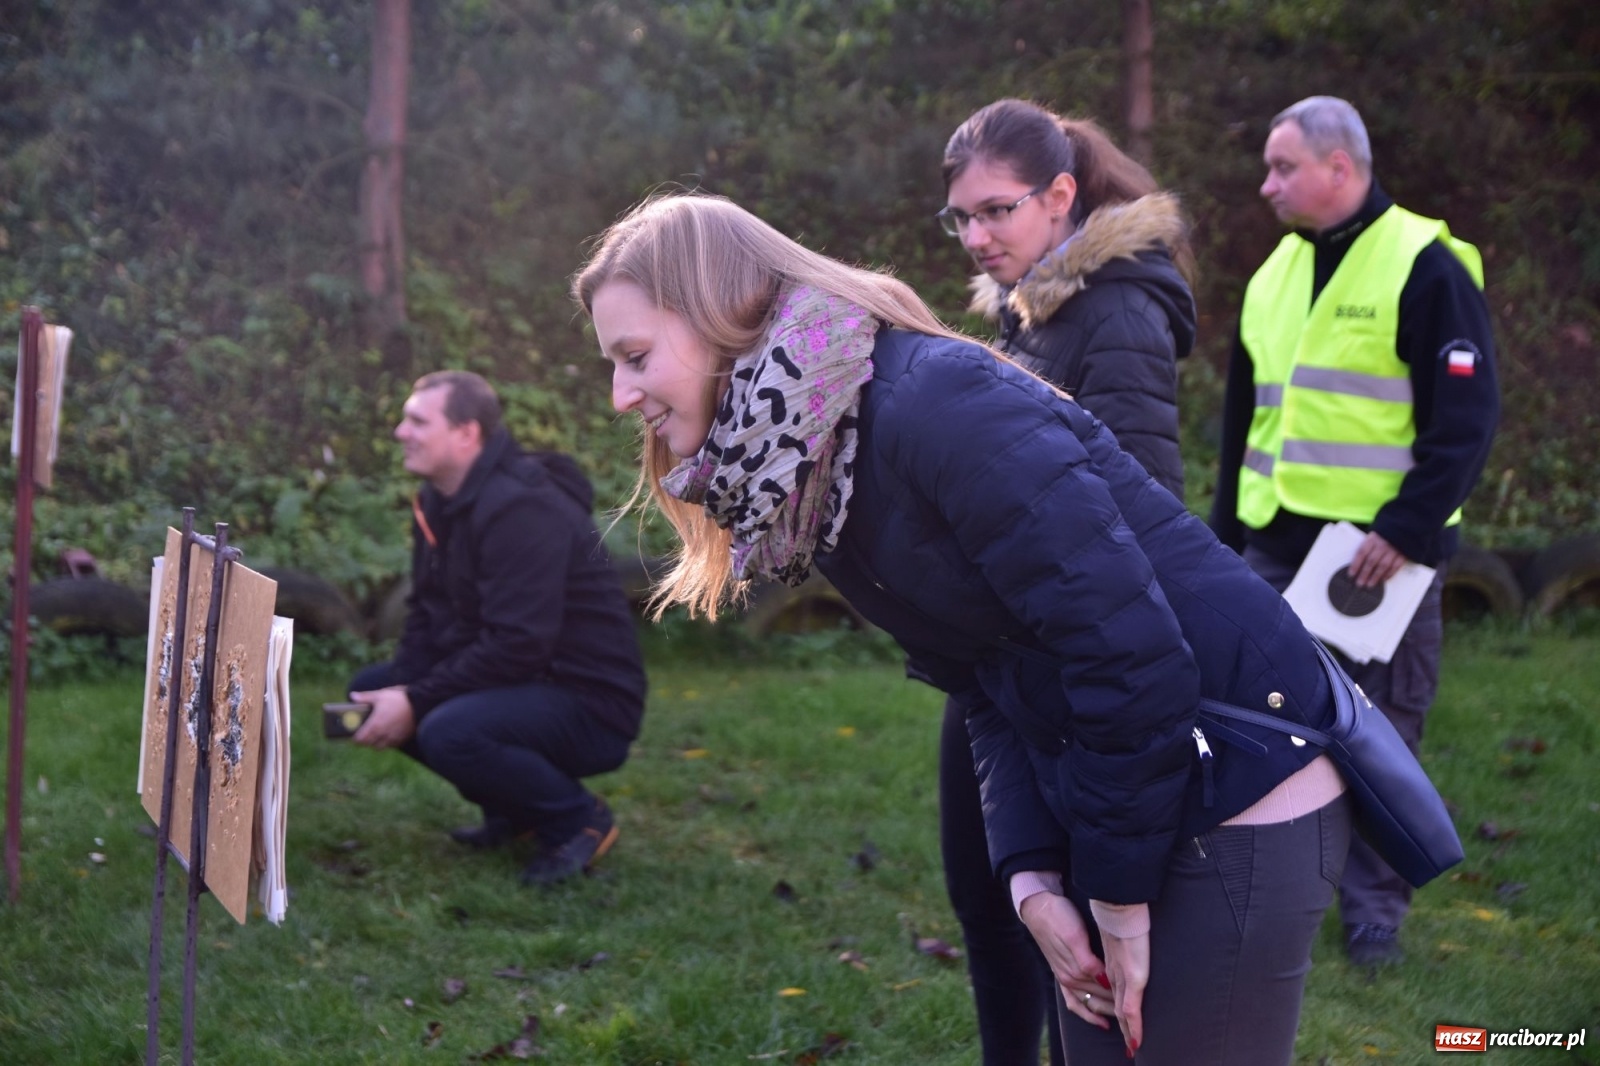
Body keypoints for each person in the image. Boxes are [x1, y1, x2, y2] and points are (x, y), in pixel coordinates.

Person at [574, 192, 1355, 1065]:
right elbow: (986, 678)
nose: (619, 395)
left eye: (635, 356)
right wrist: (1031, 875)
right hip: (1127, 783)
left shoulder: (934, 404)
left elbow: (1131, 654)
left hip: (1241, 779)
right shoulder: (816, 467)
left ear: (717, 310)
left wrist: (1117, 899)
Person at [936, 98, 1196, 1066]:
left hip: (1074, 670)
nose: (974, 235)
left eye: (995, 211)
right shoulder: (1027, 309)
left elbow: (1138, 513)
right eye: (960, 217)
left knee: (1067, 915)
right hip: (998, 651)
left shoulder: (1118, 310)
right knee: (985, 889)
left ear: (1059, 197)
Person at [1209, 97, 1498, 966]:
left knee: (1383, 733)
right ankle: (1245, 887)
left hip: (1382, 558)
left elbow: (1468, 414)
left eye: (1282, 167)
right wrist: (1223, 540)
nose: (1266, 185)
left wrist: (1406, 529)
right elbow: (1240, 427)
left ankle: (1374, 915)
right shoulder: (1274, 274)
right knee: (1250, 718)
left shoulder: (1426, 264)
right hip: (1275, 545)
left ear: (1341, 167)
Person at [349, 370, 648, 885]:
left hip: (589, 700)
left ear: (466, 433)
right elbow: (426, 610)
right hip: (527, 677)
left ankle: (575, 818)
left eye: (417, 420)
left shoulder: (522, 508)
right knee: (372, 690)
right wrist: (406, 683)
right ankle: (517, 814)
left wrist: (419, 700)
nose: (401, 431)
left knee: (448, 729)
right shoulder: (439, 502)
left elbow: (520, 643)